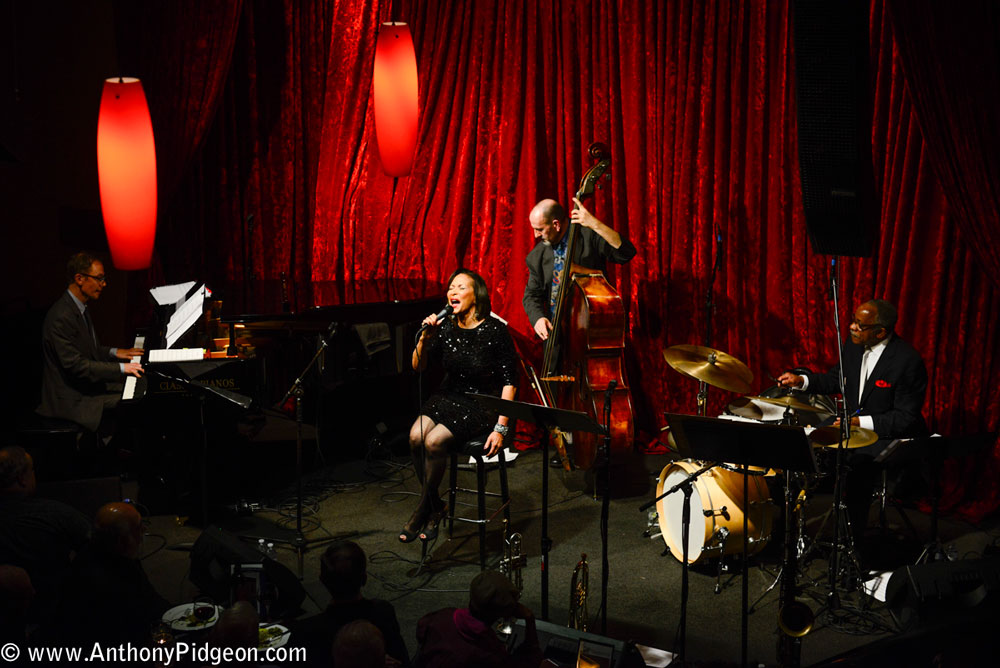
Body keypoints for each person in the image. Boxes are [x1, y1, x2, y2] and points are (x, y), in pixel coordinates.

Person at [777, 299, 928, 538]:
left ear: (880, 331)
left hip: (885, 433)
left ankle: (852, 545)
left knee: (858, 466)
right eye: (853, 321)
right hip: (851, 425)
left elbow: (905, 418)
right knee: (799, 442)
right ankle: (785, 529)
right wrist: (802, 381)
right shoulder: (854, 345)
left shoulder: (907, 362)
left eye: (860, 324)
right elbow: (837, 379)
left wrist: (860, 423)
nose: (852, 327)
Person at [401, 269, 518, 543]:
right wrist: (424, 338)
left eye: (460, 287)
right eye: (450, 287)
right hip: (448, 395)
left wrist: (501, 428)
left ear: (476, 295)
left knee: (433, 442)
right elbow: (417, 367)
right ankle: (435, 505)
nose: (452, 292)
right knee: (415, 436)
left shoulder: (495, 331)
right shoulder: (447, 328)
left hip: (481, 403)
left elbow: (509, 383)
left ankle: (424, 510)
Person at [37, 251, 144, 433]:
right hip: (71, 399)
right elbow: (76, 365)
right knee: (136, 402)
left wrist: (115, 352)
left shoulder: (78, 308)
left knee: (139, 390)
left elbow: (87, 350)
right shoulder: (61, 316)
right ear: (80, 279)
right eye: (99, 278)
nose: (104, 284)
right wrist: (122, 368)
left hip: (83, 388)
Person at [522, 198, 636, 343]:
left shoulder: (587, 236)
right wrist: (538, 318)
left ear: (556, 224)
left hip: (591, 333)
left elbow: (626, 253)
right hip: (557, 338)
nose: (535, 235)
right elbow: (531, 295)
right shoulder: (536, 256)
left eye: (539, 229)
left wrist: (595, 224)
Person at [0, 446, 91, 625]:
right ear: (21, 479)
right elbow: (99, 543)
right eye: (32, 470)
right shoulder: (55, 514)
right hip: (57, 614)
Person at [57, 501, 169, 646]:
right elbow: (144, 616)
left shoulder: (89, 556)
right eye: (139, 528)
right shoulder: (110, 578)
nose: (143, 532)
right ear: (123, 539)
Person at [290, 541, 408, 667]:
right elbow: (401, 659)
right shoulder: (384, 612)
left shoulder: (308, 629)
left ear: (322, 581)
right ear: (364, 579)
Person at [415, 570, 541, 668]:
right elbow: (530, 662)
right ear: (501, 613)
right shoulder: (487, 653)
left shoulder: (443, 614)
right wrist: (530, 619)